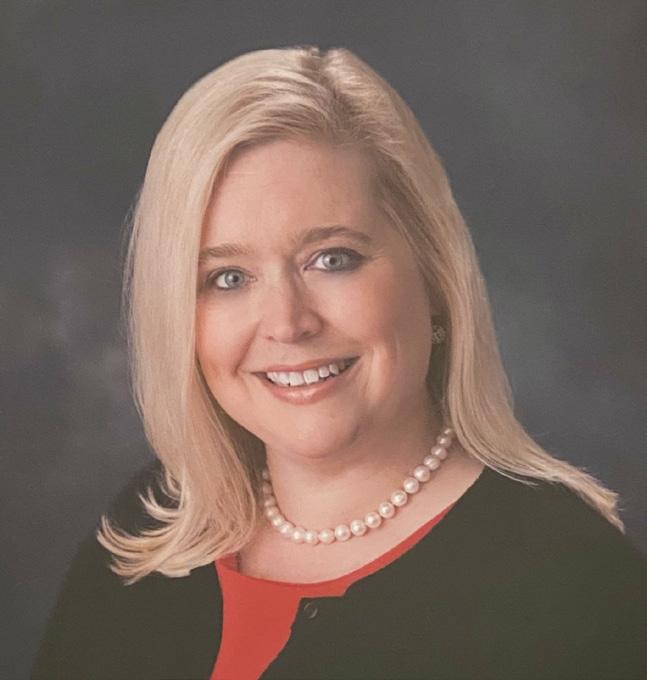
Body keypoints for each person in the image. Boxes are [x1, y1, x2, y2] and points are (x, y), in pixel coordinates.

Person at [33, 45, 646, 680]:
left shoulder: (573, 584)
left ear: (435, 277)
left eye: (332, 259)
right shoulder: (150, 530)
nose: (287, 322)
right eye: (228, 277)